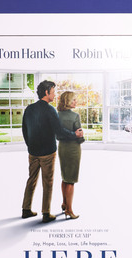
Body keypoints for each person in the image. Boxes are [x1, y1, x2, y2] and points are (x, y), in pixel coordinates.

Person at [21, 80, 83, 223]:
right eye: (53, 92)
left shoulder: (29, 109)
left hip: (33, 152)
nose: (55, 95)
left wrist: (30, 146)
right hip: (48, 152)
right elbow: (59, 131)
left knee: (31, 180)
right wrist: (75, 135)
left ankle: (26, 209)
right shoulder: (50, 110)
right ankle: (46, 213)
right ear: (47, 92)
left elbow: (24, 130)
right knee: (47, 183)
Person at [56, 91, 85, 220]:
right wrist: (81, 138)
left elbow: (57, 135)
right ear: (67, 101)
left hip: (62, 148)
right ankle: (69, 209)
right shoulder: (75, 116)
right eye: (73, 100)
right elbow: (79, 134)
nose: (75, 102)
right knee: (71, 180)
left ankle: (64, 203)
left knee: (64, 177)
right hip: (73, 149)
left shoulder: (56, 115)